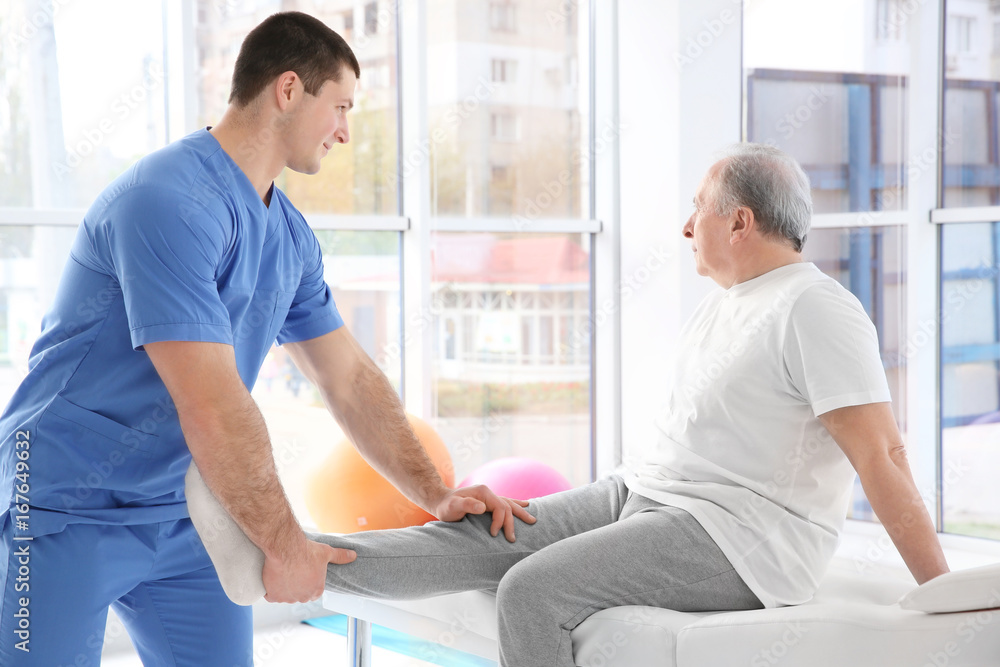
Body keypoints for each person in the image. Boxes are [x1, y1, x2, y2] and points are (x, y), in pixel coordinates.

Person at [0, 12, 531, 666]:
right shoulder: (164, 201)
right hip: (62, 500)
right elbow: (213, 403)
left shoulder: (289, 236)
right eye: (341, 106)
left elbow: (347, 377)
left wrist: (436, 493)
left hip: (181, 511)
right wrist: (284, 543)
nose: (345, 131)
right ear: (288, 90)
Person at [311, 143, 951, 667]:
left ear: (740, 222)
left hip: (737, 536)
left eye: (697, 208)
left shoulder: (816, 307)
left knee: (530, 592)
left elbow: (883, 454)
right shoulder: (729, 301)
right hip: (642, 492)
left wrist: (945, 594)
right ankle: (290, 556)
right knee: (474, 537)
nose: (686, 226)